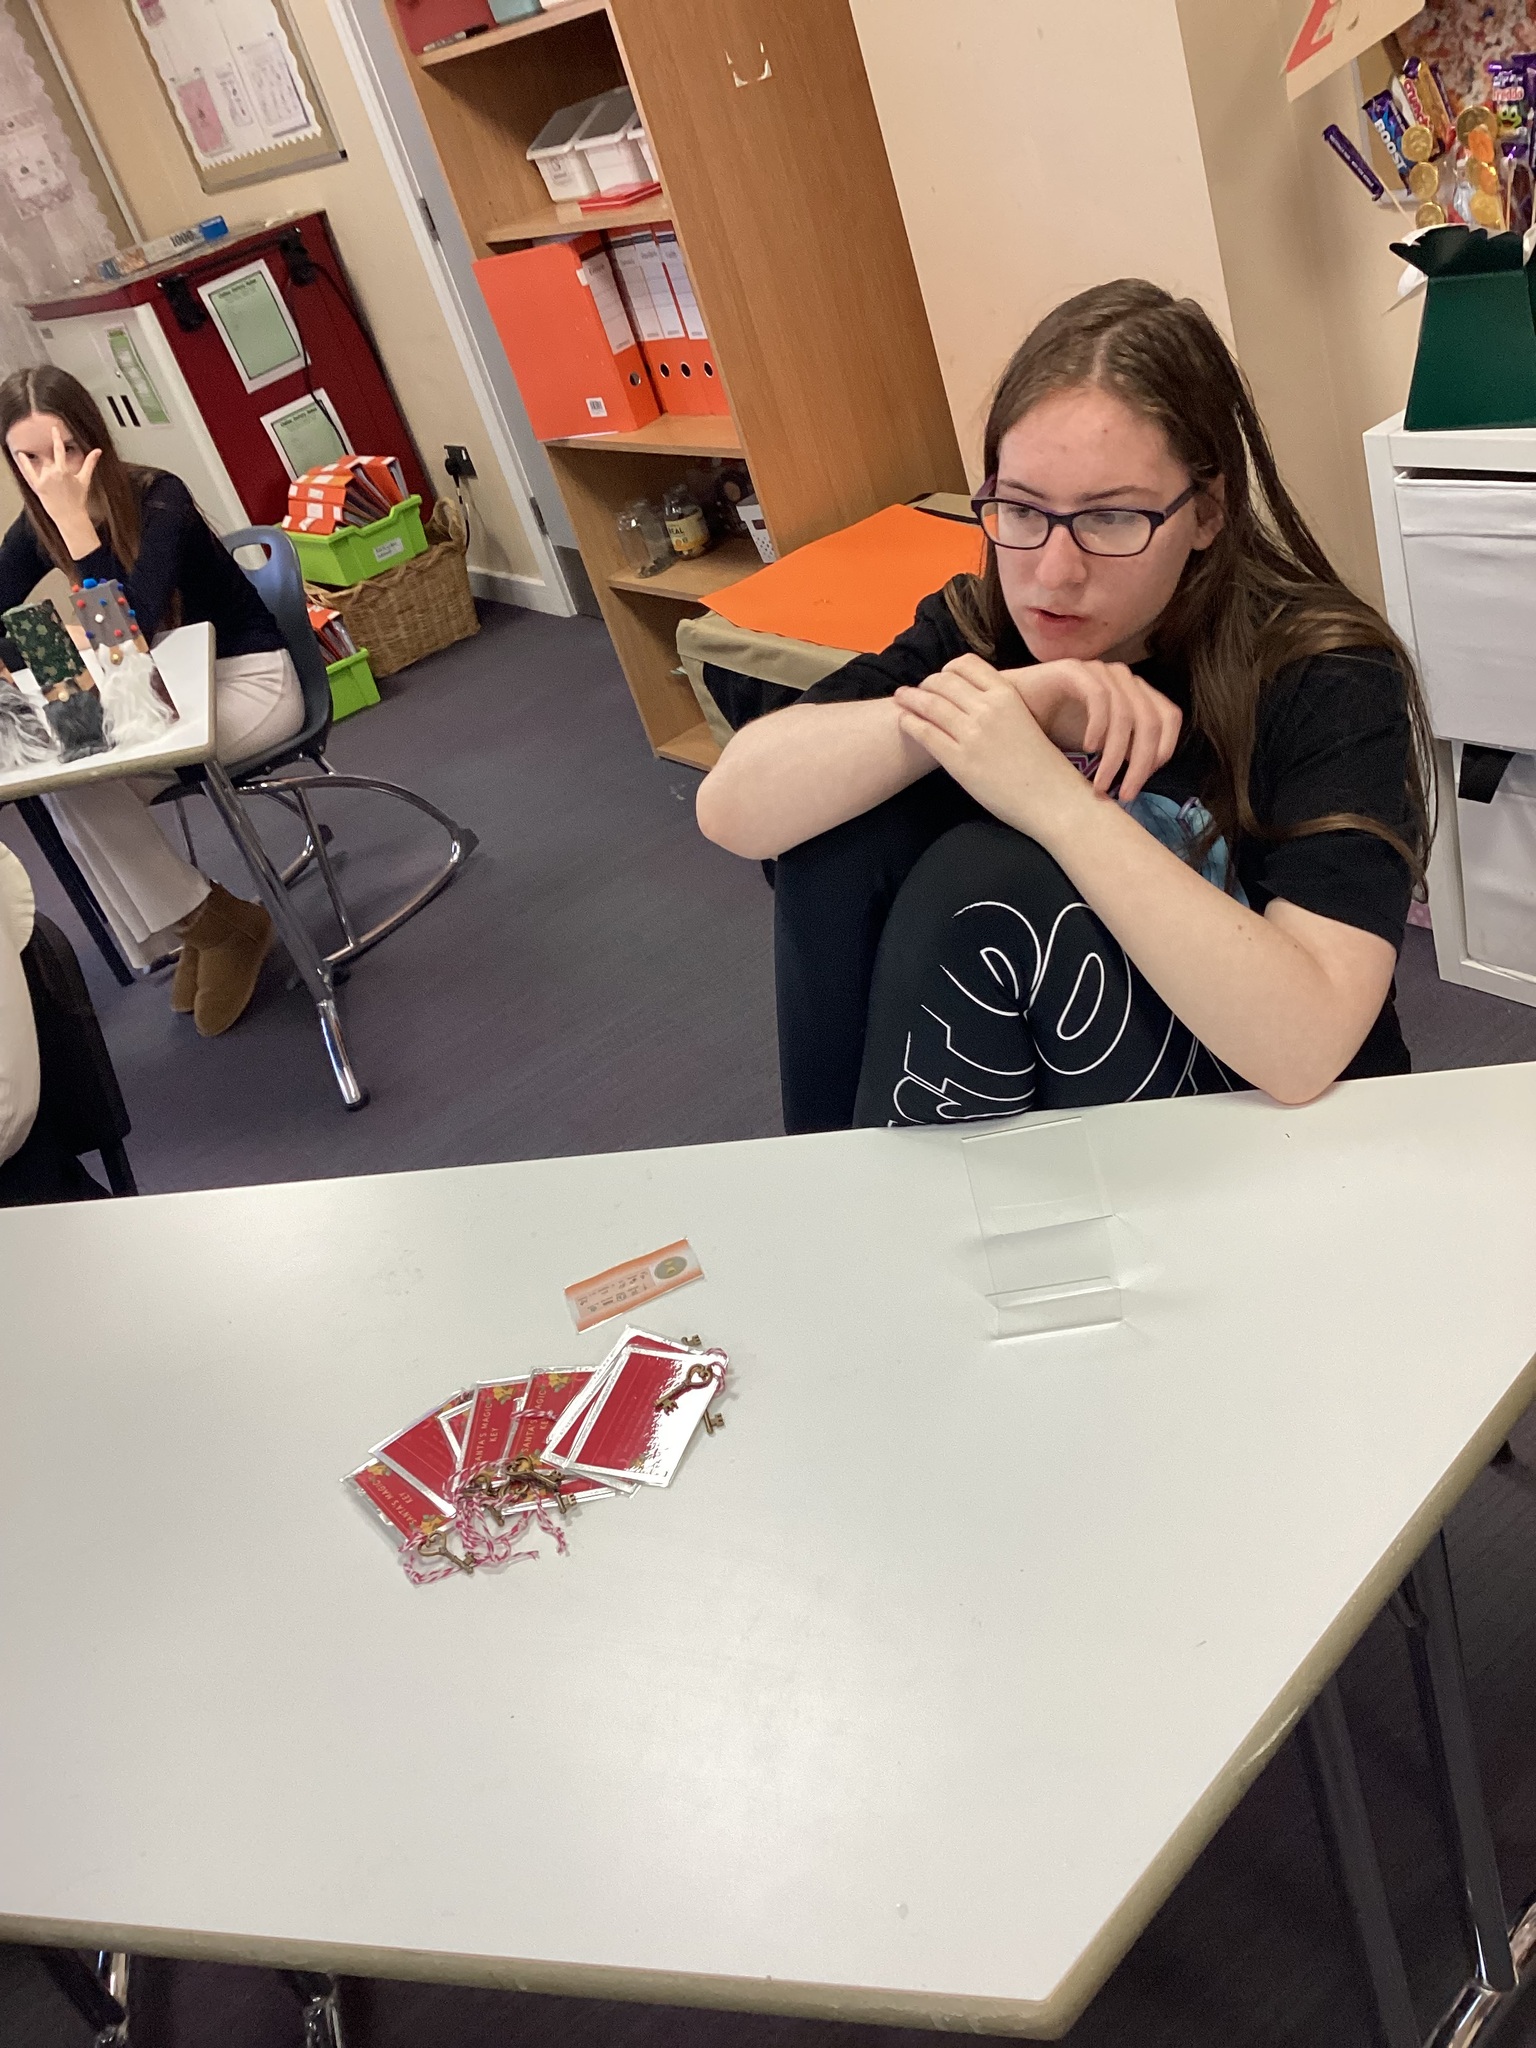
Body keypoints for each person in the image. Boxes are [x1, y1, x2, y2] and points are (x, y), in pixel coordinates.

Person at [696, 279, 1433, 1133]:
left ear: (1208, 511)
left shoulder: (1326, 673)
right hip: (1034, 1076)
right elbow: (734, 809)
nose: (1052, 573)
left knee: (986, 876)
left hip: (1270, 1118)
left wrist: (1052, 800)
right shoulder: (980, 627)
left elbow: (1307, 1049)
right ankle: (846, 1180)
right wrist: (1013, 701)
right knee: (845, 829)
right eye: (1020, 509)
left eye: (1111, 518)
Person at [0, 365, 303, 1036]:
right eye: (30, 458)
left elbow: (127, 633)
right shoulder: (35, 525)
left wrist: (77, 530)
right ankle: (210, 922)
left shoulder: (160, 496)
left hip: (247, 680)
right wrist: (34, 652)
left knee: (89, 780)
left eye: (66, 449)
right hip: (163, 695)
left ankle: (213, 929)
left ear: (94, 440)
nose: (53, 473)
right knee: (73, 787)